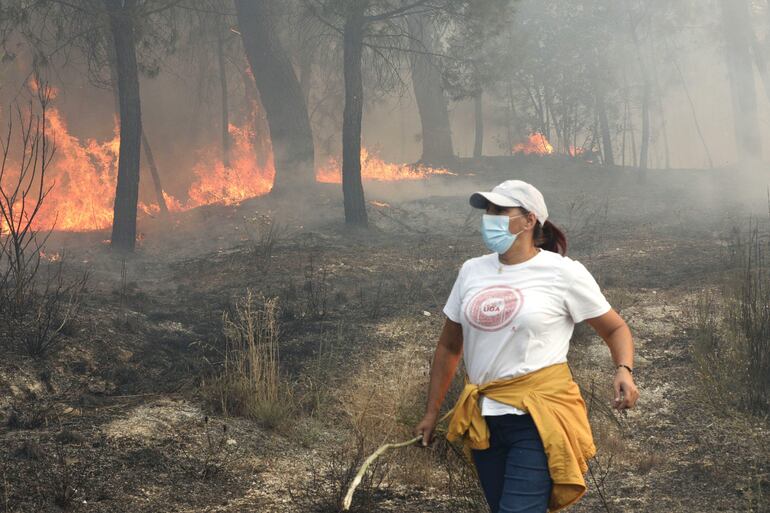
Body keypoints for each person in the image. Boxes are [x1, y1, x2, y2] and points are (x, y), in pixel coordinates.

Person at [413, 180, 639, 513]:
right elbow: (449, 346)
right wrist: (432, 412)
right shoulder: (472, 271)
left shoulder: (562, 273)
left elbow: (615, 327)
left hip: (537, 417)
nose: (490, 217)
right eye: (488, 210)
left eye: (500, 211)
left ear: (529, 220)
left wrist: (624, 369)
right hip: (485, 420)